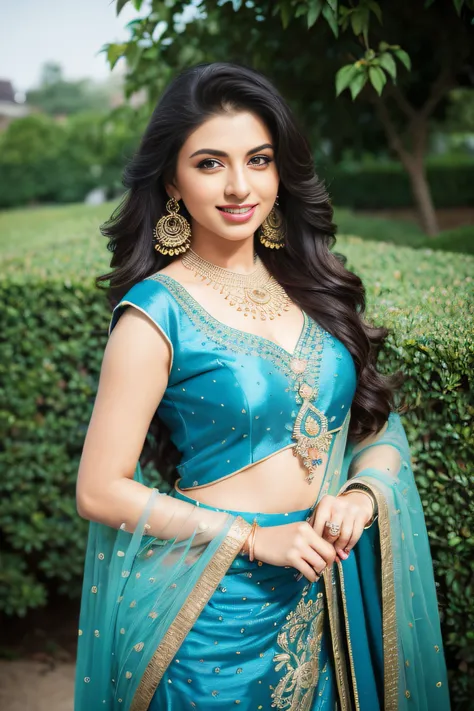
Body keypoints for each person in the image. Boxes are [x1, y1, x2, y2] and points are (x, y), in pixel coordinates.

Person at [74, 62, 450, 711]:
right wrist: (252, 537)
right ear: (171, 180)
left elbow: (372, 423)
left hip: (325, 598)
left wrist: (362, 493)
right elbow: (99, 489)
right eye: (211, 163)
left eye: (259, 158)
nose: (240, 185)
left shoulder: (311, 285)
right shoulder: (154, 313)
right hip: (212, 616)